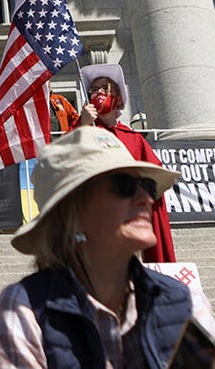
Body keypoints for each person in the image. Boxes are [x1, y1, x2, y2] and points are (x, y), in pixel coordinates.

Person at [0, 127, 215, 368]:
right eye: (124, 186)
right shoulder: (24, 305)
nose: (146, 198)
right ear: (72, 212)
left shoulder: (186, 301)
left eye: (147, 185)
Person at [72, 63, 176, 262]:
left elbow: (155, 175)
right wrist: (83, 125)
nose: (98, 92)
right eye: (93, 89)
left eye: (104, 88)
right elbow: (66, 160)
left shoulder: (133, 138)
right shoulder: (82, 129)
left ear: (118, 98)